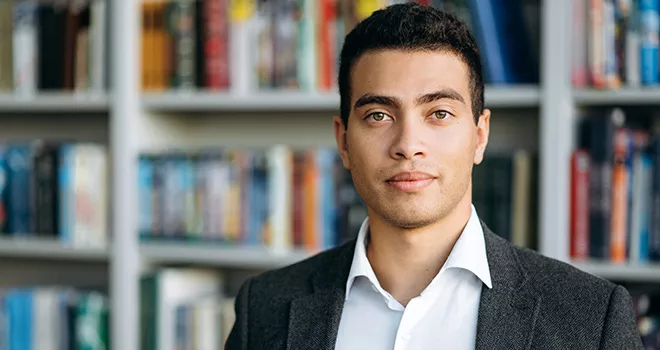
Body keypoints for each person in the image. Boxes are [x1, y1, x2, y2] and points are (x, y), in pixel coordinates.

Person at [225, 3, 643, 349]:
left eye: (438, 113)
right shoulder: (264, 308)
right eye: (378, 115)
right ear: (344, 141)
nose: (408, 144)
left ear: (479, 136)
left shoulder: (592, 319)